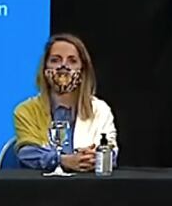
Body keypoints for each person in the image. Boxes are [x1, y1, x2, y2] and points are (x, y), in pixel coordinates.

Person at [12, 33, 118, 172]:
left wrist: (95, 158)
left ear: (83, 70)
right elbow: (27, 153)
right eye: (55, 60)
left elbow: (111, 153)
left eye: (72, 61)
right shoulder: (26, 110)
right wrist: (63, 160)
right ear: (45, 69)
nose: (63, 66)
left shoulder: (100, 110)